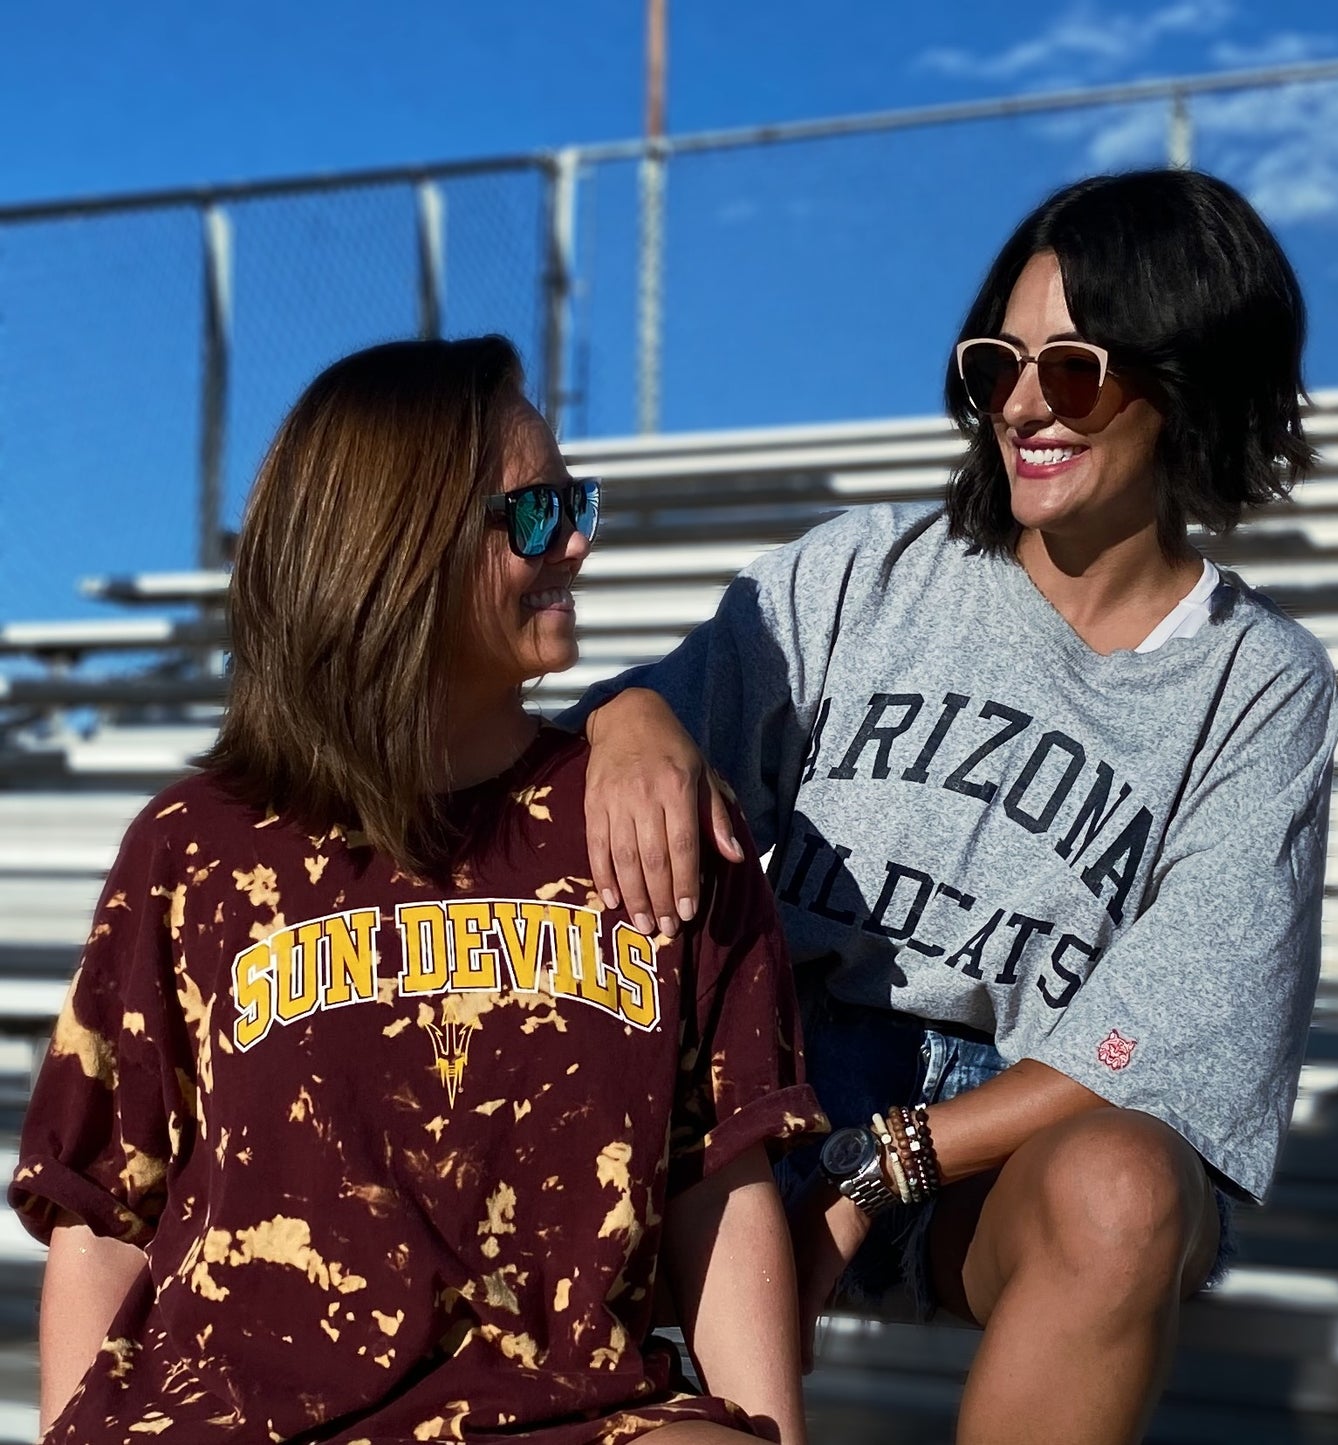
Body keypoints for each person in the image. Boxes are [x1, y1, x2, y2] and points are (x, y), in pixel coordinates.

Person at [569, 169, 1338, 1445]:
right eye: (999, 363)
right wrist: (630, 712)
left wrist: (885, 1166)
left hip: (1020, 1131)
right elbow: (643, 750)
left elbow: (1175, 1025)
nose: (1026, 404)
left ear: (1189, 375)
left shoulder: (1258, 683)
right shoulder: (860, 574)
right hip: (785, 1071)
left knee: (1126, 1188)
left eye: (1077, 368)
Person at [10, 337, 827, 1445]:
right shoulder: (193, 848)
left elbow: (716, 1186)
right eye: (534, 512)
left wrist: (768, 1430)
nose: (578, 541)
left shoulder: (651, 821)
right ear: (400, 544)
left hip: (563, 1418)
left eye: (574, 501)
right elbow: (105, 1213)